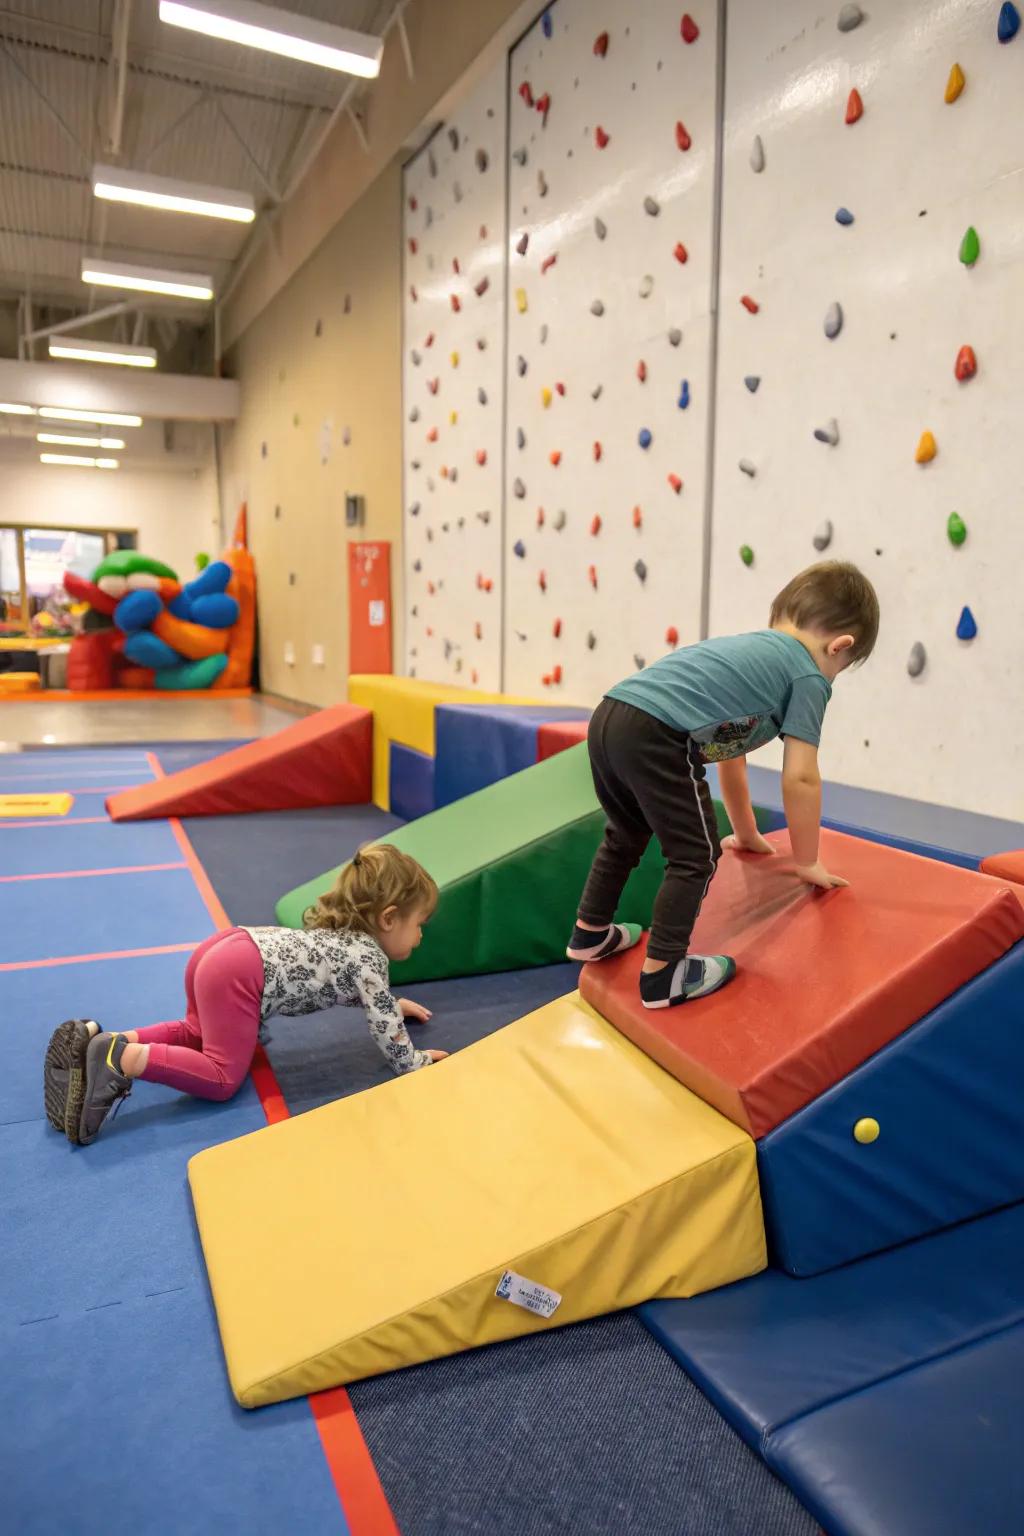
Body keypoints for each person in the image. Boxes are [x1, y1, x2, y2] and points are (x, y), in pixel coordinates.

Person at [566, 561, 880, 1009]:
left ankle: (590, 934)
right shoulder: (808, 674)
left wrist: (747, 832)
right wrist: (806, 860)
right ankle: (664, 975)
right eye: (841, 668)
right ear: (839, 647)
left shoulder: (750, 655)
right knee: (696, 854)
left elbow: (731, 756)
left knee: (626, 832)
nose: (832, 677)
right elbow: (802, 775)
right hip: (657, 733)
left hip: (610, 716)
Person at [44, 844, 447, 1147]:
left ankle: (112, 1040)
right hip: (240, 973)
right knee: (221, 1077)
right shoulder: (371, 958)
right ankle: (122, 1059)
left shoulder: (348, 937)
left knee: (197, 1031)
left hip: (228, 947)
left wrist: (393, 1006)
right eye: (419, 924)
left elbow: (371, 1001)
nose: (422, 936)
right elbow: (385, 1030)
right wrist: (414, 1062)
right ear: (389, 918)